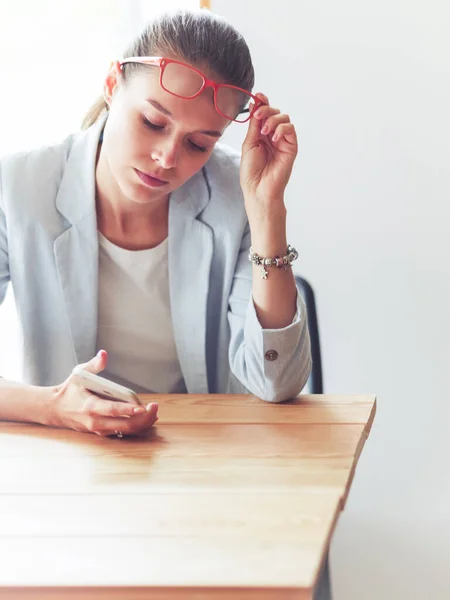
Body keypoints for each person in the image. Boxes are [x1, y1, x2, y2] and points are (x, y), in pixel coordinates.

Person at [0, 8, 311, 437]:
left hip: (201, 453)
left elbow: (277, 383)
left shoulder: (233, 197)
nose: (167, 158)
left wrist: (267, 210)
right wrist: (54, 407)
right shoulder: (16, 188)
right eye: (152, 122)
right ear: (112, 86)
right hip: (64, 458)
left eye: (199, 144)